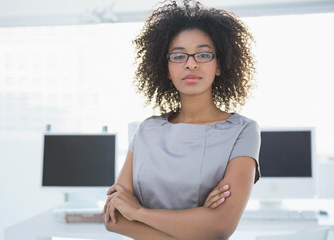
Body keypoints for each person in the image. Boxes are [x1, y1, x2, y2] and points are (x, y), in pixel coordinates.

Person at [103, 0, 261, 239]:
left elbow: (220, 226)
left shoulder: (243, 131)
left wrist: (137, 211)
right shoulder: (146, 130)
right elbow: (114, 219)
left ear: (219, 65)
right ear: (166, 68)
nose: (191, 63)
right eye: (178, 56)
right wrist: (197, 224)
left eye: (204, 54)